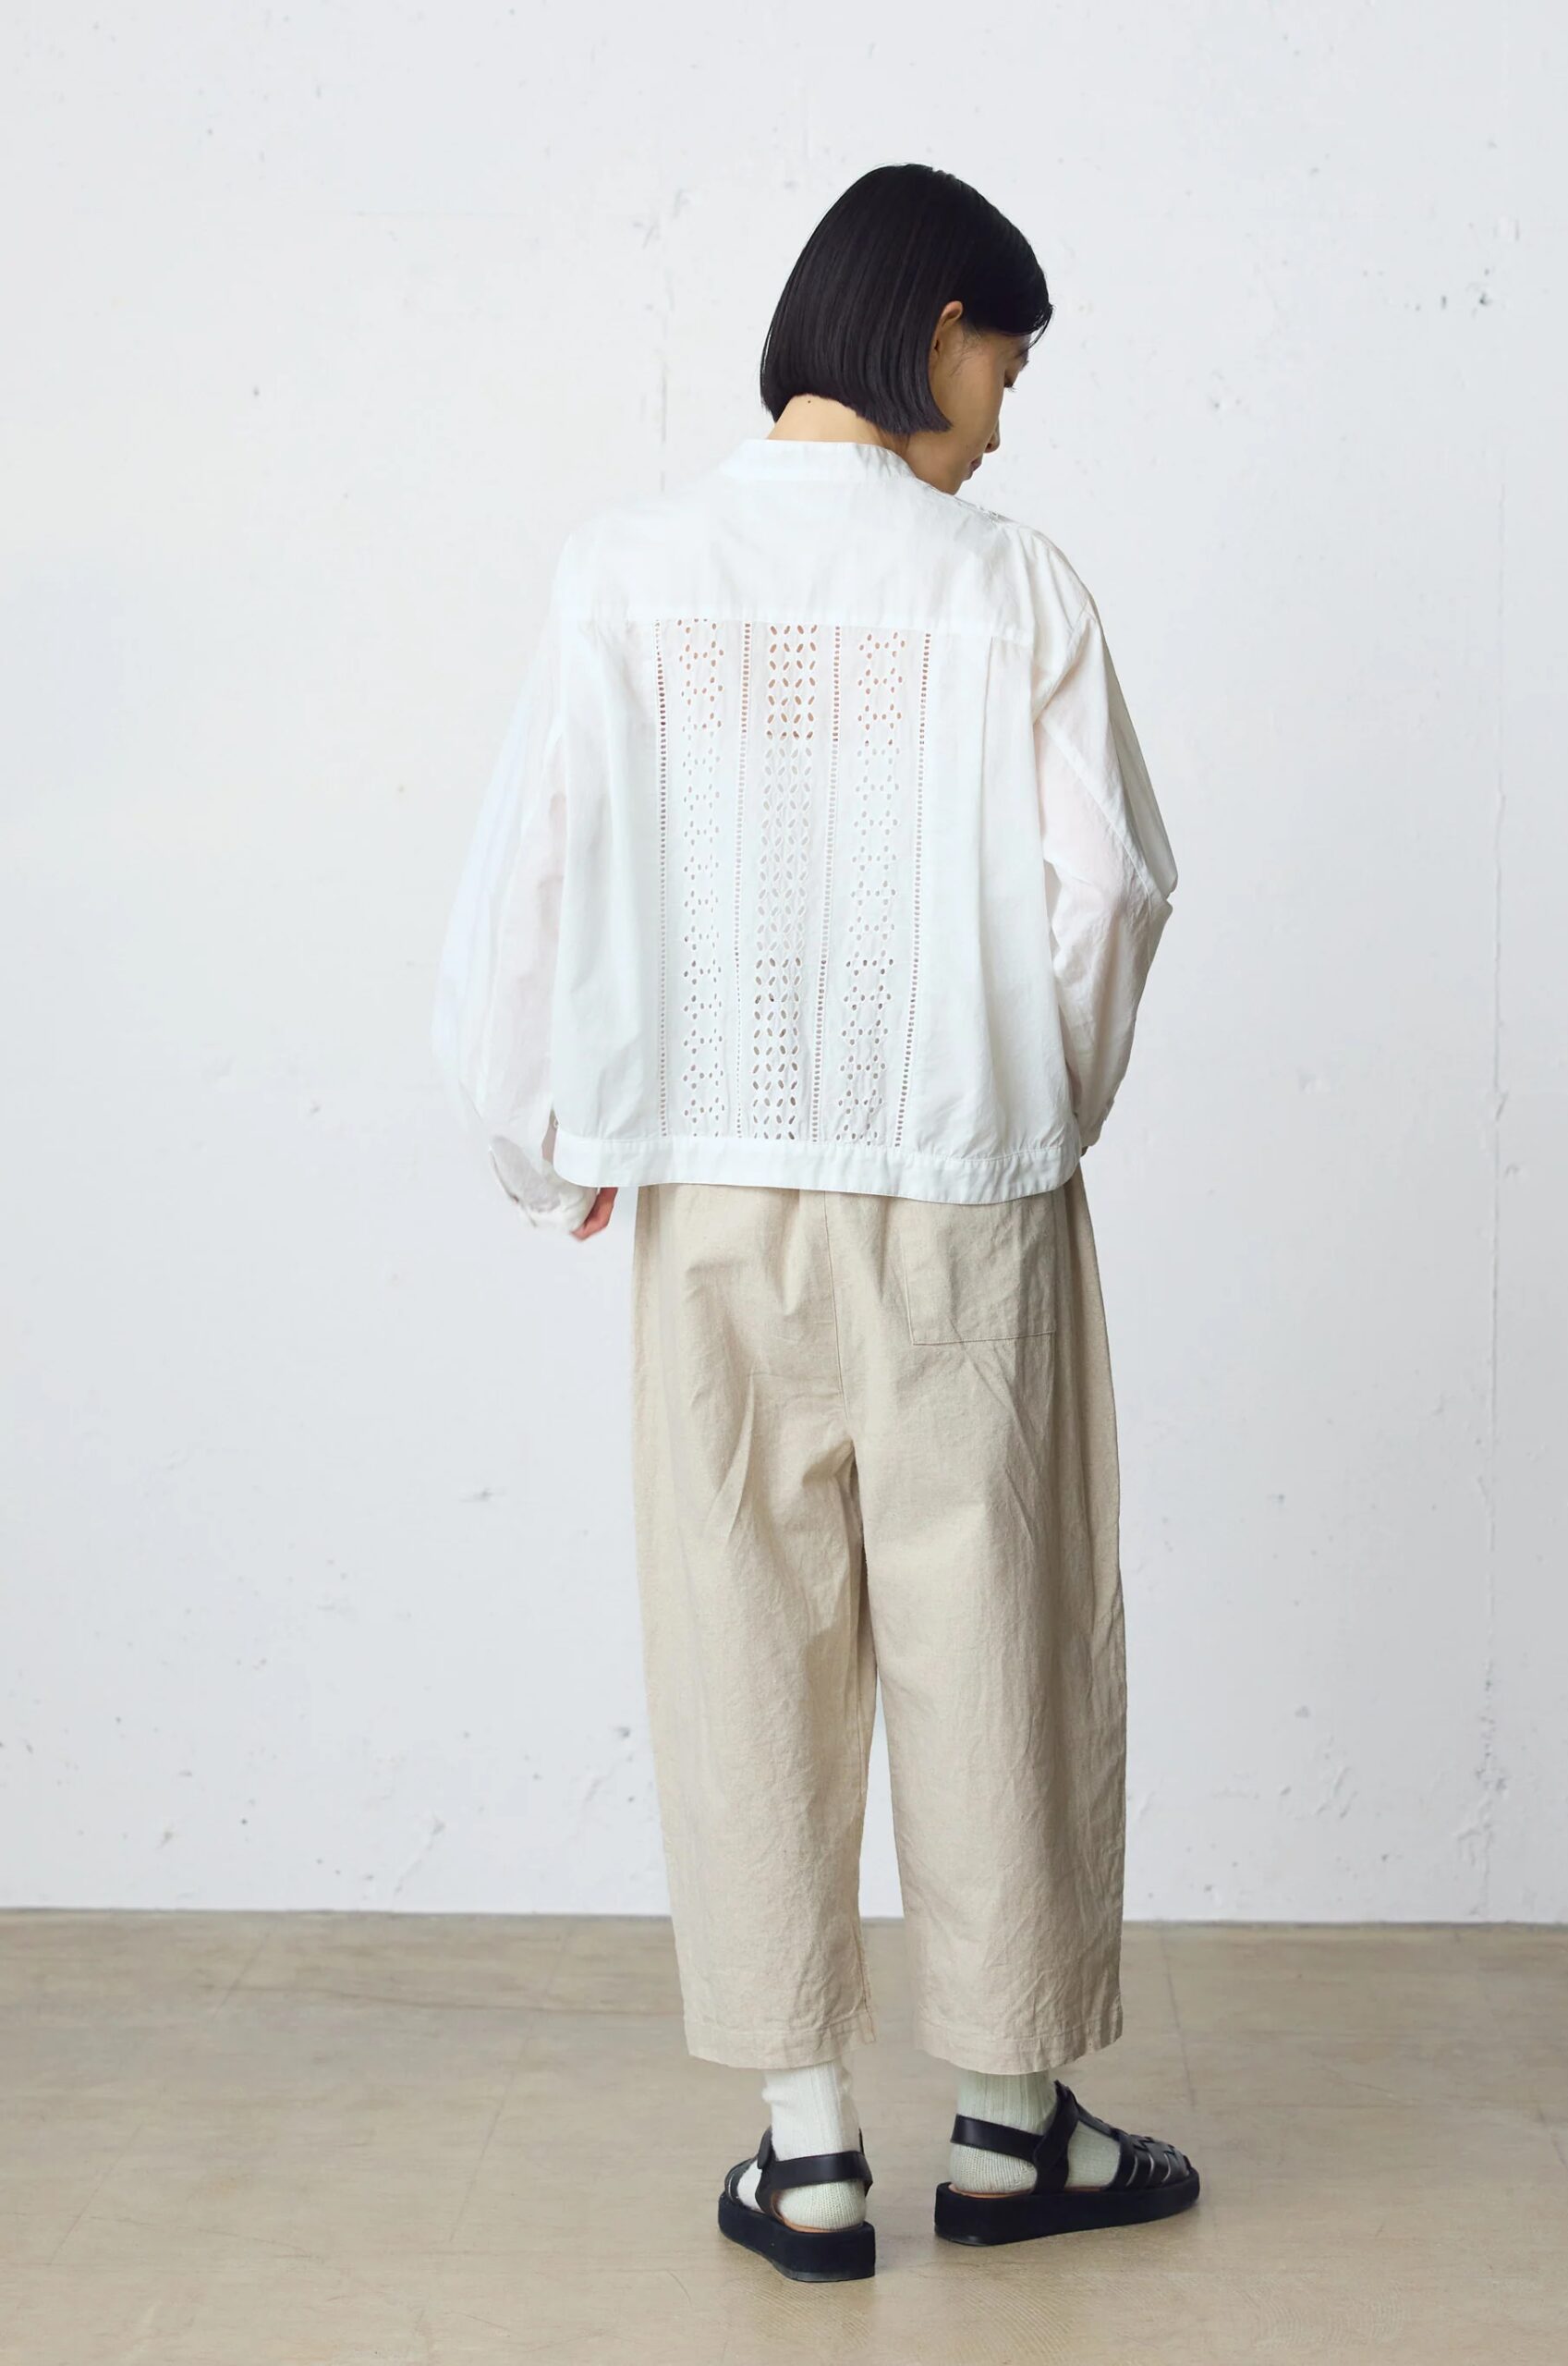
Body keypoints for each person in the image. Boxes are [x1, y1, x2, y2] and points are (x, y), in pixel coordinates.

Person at [432, 162, 1198, 2284]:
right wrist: (1036, 1106)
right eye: (1003, 367)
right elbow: (1112, 887)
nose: (1004, 423)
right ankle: (1011, 2127)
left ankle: (808, 2151)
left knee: (742, 1637)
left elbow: (526, 892)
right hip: (964, 1204)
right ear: (932, 326)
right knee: (997, 1632)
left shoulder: (623, 574)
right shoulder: (1013, 589)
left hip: (714, 1195)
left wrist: (555, 1138)